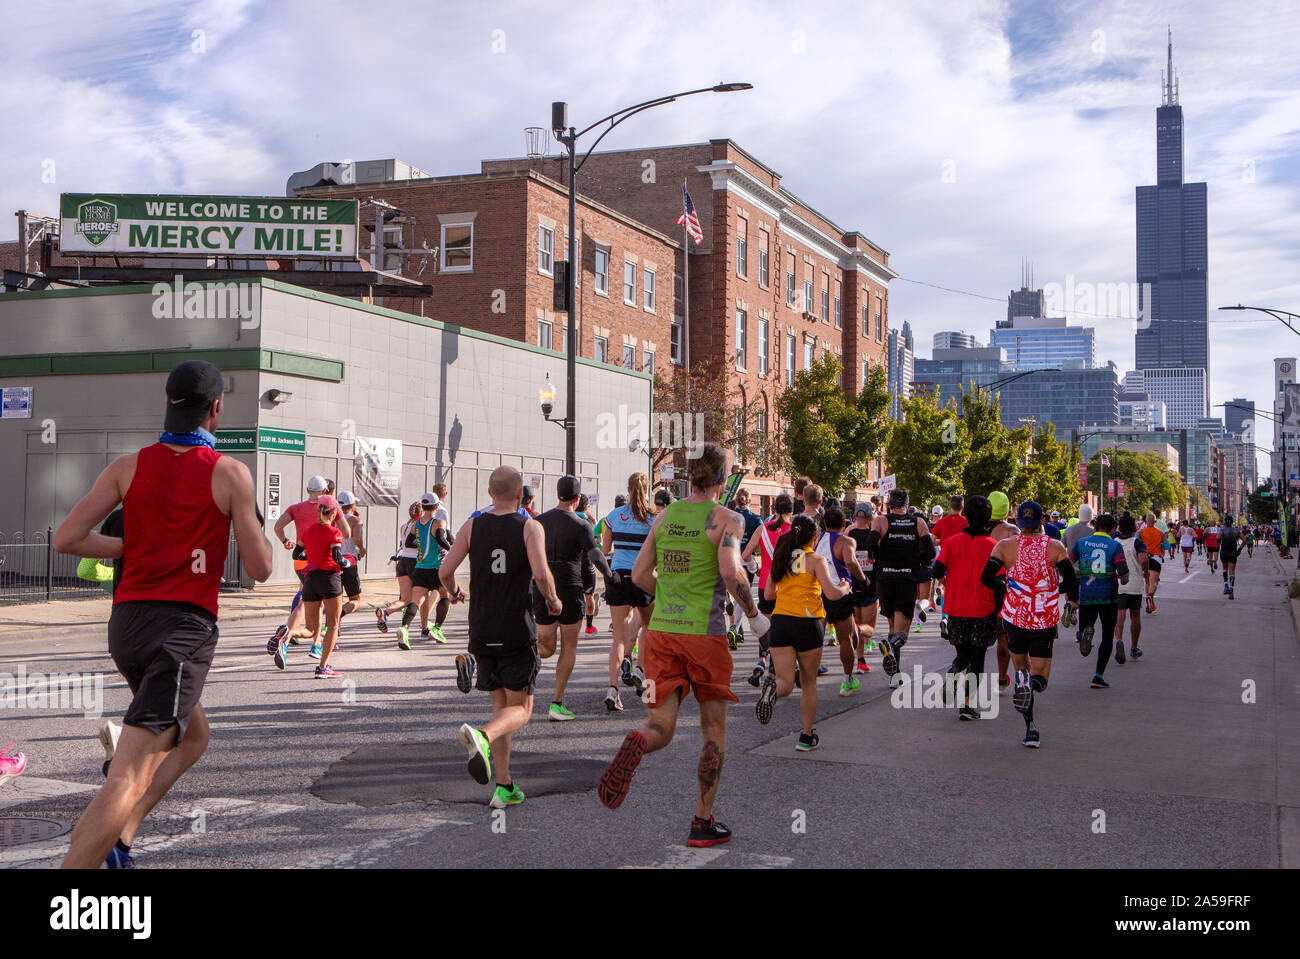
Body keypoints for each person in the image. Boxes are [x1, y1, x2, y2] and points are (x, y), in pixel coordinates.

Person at [53, 360, 273, 868]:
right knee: (128, 773)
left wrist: (131, 545)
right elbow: (260, 569)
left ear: (167, 401)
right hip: (182, 630)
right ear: (216, 408)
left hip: (127, 627)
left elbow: (67, 539)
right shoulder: (230, 472)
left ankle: (122, 835)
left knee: (195, 735)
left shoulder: (127, 466)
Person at [598, 443, 768, 848]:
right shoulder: (726, 519)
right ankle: (701, 821)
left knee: (661, 726)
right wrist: (758, 619)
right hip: (704, 636)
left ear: (689, 476)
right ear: (723, 480)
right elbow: (730, 571)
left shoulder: (666, 516)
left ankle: (640, 739)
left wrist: (669, 593)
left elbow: (639, 575)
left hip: (660, 635)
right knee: (713, 730)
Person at [440, 466, 561, 809]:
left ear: (490, 493)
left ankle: (505, 785)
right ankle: (482, 735)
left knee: (501, 708)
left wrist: (453, 593)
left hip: (481, 629)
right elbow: (540, 573)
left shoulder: (472, 524)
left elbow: (445, 570)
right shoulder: (529, 526)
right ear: (520, 494)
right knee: (521, 709)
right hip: (515, 628)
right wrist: (553, 601)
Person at [983, 500, 1076, 748]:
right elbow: (1072, 580)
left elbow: (986, 577)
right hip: (1043, 619)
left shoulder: (1004, 546)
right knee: (1040, 679)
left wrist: (1005, 588)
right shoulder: (1055, 547)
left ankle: (1030, 728)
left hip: (1014, 617)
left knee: (1021, 671)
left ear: (1018, 522)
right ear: (1042, 521)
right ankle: (1030, 687)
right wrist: (1053, 591)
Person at [754, 515, 851, 748]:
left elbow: (768, 595)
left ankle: (772, 691)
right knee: (809, 683)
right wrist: (846, 587)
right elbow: (831, 594)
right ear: (814, 537)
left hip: (781, 622)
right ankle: (806, 736)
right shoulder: (816, 560)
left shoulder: (782, 558)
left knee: (785, 682)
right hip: (808, 624)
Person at [532, 476, 617, 721]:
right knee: (568, 646)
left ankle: (521, 657)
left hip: (542, 586)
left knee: (545, 647)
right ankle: (556, 703)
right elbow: (595, 555)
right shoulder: (581, 525)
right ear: (578, 499)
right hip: (570, 587)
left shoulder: (540, 521)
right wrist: (610, 577)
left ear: (557, 494)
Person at [268, 475, 350, 659]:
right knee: (307, 604)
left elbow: (278, 526)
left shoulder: (296, 508)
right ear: (325, 492)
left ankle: (307, 641)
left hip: (301, 558)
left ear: (307, 491)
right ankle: (302, 641)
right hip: (322, 560)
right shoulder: (329, 507)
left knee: (309, 601)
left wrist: (285, 541)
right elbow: (347, 532)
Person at [931, 495, 997, 720]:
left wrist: (950, 583)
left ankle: (954, 671)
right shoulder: (993, 547)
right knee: (977, 660)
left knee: (963, 655)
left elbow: (937, 571)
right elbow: (1000, 583)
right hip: (983, 609)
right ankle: (967, 705)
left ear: (966, 516)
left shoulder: (952, 543)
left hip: (955, 607)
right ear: (989, 518)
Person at [867, 487, 935, 684]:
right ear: (906, 504)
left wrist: (882, 556)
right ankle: (890, 648)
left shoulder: (880, 520)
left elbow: (871, 545)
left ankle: (895, 677)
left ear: (890, 504)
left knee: (891, 625)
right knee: (901, 632)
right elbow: (930, 553)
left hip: (885, 579)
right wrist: (912, 557)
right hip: (907, 579)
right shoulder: (919, 522)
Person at [602, 473, 657, 710]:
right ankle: (640, 668)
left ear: (628, 489)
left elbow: (605, 551)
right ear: (647, 491)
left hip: (618, 577)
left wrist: (609, 576)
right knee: (648, 625)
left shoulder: (613, 516)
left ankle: (613, 690)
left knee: (618, 638)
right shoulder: (653, 519)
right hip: (642, 577)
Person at [1069, 513, 1129, 688]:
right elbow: (1123, 572)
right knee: (1107, 636)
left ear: (1094, 528)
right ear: (1112, 530)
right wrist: (1123, 579)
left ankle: (1082, 635)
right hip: (1108, 596)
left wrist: (1079, 575)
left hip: (1087, 594)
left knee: (1086, 624)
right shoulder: (1114, 545)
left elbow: (1068, 562)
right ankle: (1098, 675)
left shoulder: (1081, 544)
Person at [740, 492, 793, 686]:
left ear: (773, 509)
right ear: (791, 510)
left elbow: (745, 555)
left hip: (765, 585)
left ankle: (762, 660)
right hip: (786, 586)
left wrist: (756, 567)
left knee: (766, 627)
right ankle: (774, 670)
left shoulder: (762, 529)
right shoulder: (793, 530)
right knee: (783, 629)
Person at [299, 494, 354, 679]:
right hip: (329, 579)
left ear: (318, 511)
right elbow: (338, 559)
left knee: (310, 629)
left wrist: (313, 555)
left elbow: (297, 554)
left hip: (310, 579)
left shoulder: (308, 530)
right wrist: (347, 563)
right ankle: (322, 667)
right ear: (335, 513)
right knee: (332, 625)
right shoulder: (334, 533)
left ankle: (288, 633)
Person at [821, 506, 868, 696]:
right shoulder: (846, 541)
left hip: (819, 594)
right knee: (845, 639)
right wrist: (864, 579)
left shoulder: (816, 539)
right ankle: (847, 680)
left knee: (816, 639)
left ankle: (806, 676)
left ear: (824, 523)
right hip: (840, 594)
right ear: (843, 524)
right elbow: (850, 562)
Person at [407, 492, 453, 646]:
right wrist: (452, 549)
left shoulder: (416, 523)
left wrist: (422, 546)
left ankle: (404, 628)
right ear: (436, 506)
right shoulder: (438, 522)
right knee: (444, 596)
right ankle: (437, 628)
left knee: (417, 601)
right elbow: (440, 538)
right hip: (435, 567)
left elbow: (408, 543)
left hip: (420, 567)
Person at [376, 502, 421, 640]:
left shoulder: (404, 526)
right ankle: (421, 626)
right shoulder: (419, 526)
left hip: (402, 562)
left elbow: (403, 545)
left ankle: (386, 612)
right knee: (420, 595)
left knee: (405, 599)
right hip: (415, 562)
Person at [727, 488, 764, 646]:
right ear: (749, 501)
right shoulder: (755, 519)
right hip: (746, 561)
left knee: (735, 597)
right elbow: (762, 541)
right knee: (743, 597)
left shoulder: (728, 517)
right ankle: (734, 628)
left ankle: (738, 629)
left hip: (729, 558)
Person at [929, 495, 968, 639]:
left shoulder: (942, 522)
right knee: (962, 590)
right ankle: (958, 619)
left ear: (950, 507)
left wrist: (942, 542)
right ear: (962, 508)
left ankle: (945, 617)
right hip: (962, 561)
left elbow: (932, 540)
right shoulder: (966, 522)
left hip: (945, 559)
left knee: (946, 588)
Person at [847, 502, 878, 673]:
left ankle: (860, 661)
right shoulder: (874, 535)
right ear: (869, 516)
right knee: (869, 630)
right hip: (869, 584)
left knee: (858, 623)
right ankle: (860, 659)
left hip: (852, 583)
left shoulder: (848, 534)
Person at [1113, 513, 1148, 662]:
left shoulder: (1114, 542)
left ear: (1119, 528)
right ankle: (1134, 648)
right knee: (1135, 615)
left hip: (1118, 583)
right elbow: (1143, 559)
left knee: (1120, 615)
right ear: (1134, 527)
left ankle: (1119, 639)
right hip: (1134, 584)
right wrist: (1145, 570)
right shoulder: (1137, 542)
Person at [1060, 503, 1096, 627]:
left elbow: (1061, 547)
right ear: (1090, 515)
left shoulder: (1068, 530)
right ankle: (1081, 628)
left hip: (1070, 569)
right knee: (1086, 601)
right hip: (1087, 570)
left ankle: (1070, 607)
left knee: (1071, 596)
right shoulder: (1092, 532)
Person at [336, 491, 366, 622]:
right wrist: (362, 549)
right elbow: (357, 538)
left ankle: (331, 624)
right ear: (352, 504)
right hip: (349, 561)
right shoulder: (355, 520)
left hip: (334, 559)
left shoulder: (333, 518)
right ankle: (339, 616)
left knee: (335, 598)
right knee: (355, 599)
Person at [1137, 513, 1165, 614]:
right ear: (1155, 522)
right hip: (1155, 558)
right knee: (1154, 582)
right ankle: (1150, 596)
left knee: (1147, 582)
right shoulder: (1160, 532)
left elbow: (1135, 542)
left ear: (1145, 521)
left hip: (1144, 558)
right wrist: (1160, 543)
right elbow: (1167, 545)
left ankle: (1150, 603)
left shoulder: (1141, 532)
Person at [1219, 516, 1241, 599]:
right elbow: (1244, 540)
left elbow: (1218, 537)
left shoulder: (1222, 530)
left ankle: (1226, 586)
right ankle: (1231, 588)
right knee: (1232, 572)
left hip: (1224, 551)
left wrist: (1220, 542)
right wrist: (1239, 549)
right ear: (1232, 522)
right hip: (1233, 552)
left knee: (1225, 569)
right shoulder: (1236, 530)